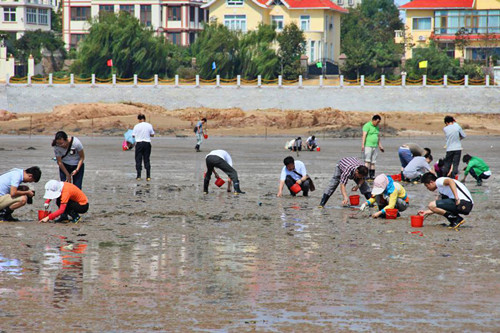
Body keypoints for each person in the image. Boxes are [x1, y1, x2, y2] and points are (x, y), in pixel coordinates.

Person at [132, 114, 155, 181]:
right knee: (147, 159)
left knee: (138, 160)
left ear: (139, 119)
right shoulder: (149, 125)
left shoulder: (136, 126)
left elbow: (133, 135)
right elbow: (152, 134)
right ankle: (148, 176)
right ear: (144, 119)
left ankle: (138, 176)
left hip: (139, 143)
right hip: (147, 143)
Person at [362, 115, 384, 180]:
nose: (378, 123)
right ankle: (366, 175)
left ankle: (372, 176)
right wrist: (363, 145)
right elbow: (364, 135)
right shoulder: (367, 125)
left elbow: (378, 137)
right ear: (373, 120)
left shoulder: (377, 127)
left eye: (379, 122)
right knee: (367, 161)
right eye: (377, 122)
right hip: (368, 145)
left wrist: (380, 145)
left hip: (375, 146)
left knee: (373, 161)